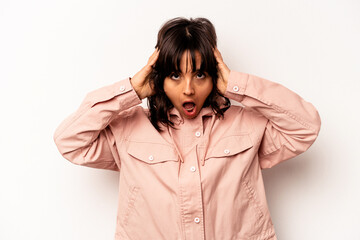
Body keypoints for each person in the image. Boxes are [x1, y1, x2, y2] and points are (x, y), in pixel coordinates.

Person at [53, 17, 321, 240]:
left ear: (215, 77)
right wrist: (131, 90)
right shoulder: (128, 128)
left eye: (200, 74)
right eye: (175, 75)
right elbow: (69, 141)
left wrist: (238, 85)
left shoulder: (247, 124)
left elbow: (306, 126)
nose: (188, 89)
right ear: (160, 78)